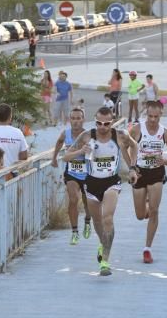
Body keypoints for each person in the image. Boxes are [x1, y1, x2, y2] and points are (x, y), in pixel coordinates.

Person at [63, 106, 138, 277]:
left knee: (108, 218)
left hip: (111, 182)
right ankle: (102, 243)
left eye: (106, 123)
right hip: (91, 183)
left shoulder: (119, 135)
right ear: (94, 121)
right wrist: (81, 151)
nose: (102, 127)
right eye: (98, 123)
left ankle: (105, 260)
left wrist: (132, 168)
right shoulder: (87, 136)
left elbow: (135, 147)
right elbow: (65, 157)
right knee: (97, 222)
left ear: (112, 122)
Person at [129, 100, 167, 264]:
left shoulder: (166, 133)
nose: (152, 119)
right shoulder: (137, 129)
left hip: (157, 173)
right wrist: (132, 167)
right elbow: (127, 148)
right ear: (146, 114)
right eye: (150, 116)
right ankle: (147, 205)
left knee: (155, 211)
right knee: (140, 215)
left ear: (161, 115)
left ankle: (147, 249)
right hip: (140, 174)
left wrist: (166, 162)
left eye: (156, 117)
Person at [51, 106, 92, 245]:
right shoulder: (65, 133)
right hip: (72, 172)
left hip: (87, 173)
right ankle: (74, 232)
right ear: (69, 120)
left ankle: (87, 220)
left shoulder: (89, 135)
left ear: (83, 119)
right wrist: (54, 158)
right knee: (73, 199)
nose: (75, 121)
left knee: (88, 202)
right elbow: (58, 142)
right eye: (73, 118)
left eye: (78, 118)